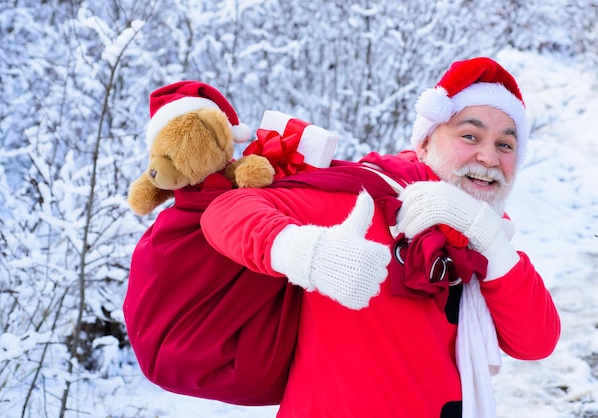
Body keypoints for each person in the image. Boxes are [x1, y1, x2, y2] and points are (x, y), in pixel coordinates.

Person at [198, 57, 561, 417]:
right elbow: (227, 211)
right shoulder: (368, 199)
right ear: (425, 144)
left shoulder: (488, 233)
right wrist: (307, 252)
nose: (489, 157)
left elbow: (536, 341)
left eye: (505, 145)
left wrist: (490, 239)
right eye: (470, 136)